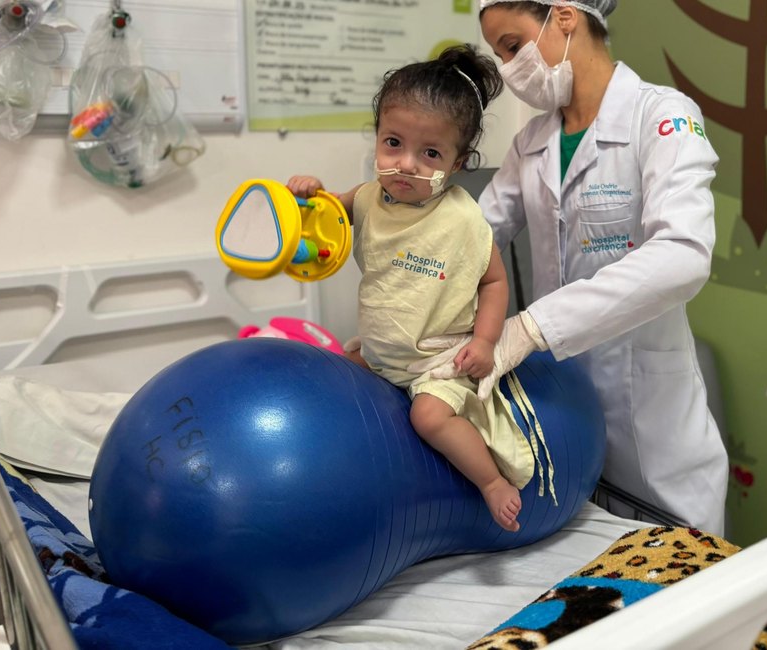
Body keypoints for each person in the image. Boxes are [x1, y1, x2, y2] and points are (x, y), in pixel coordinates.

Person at [415, 0, 728, 533]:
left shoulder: (662, 115)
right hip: (560, 419)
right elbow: (475, 240)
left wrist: (534, 326)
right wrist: (403, 306)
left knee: (680, 589)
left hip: (653, 434)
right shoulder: (532, 142)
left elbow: (683, 255)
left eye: (513, 46)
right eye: (499, 55)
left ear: (563, 17)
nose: (511, 69)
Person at [286, 45, 544, 532]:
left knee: (428, 418)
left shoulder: (463, 218)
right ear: (378, 139)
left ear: (459, 160)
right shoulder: (366, 197)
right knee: (334, 378)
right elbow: (325, 217)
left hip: (436, 358)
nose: (405, 164)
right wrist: (308, 192)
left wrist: (485, 343)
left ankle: (491, 482)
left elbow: (493, 281)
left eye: (429, 154)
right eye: (393, 143)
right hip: (384, 351)